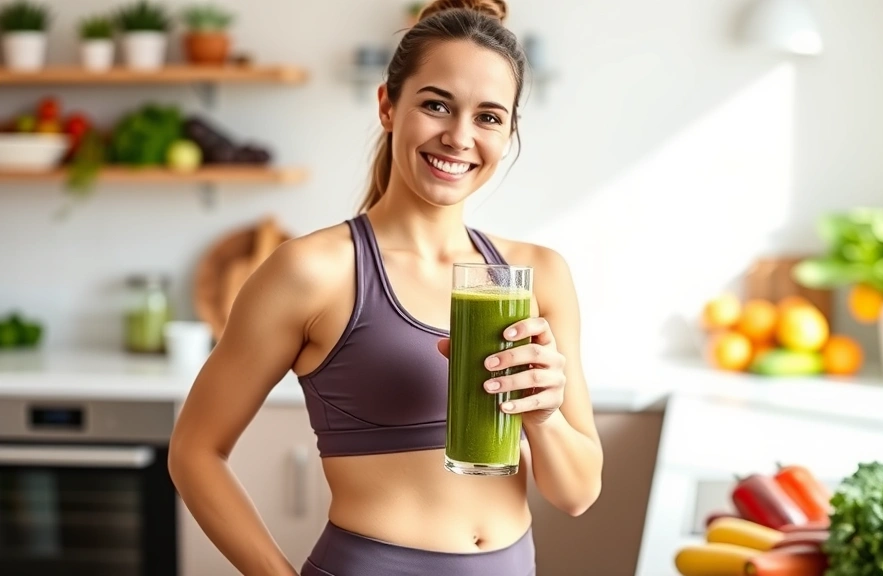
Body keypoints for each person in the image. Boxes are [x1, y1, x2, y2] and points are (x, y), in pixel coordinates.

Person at [167, 1, 603, 574]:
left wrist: (542, 416)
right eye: (436, 105)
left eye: (489, 117)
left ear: (510, 130)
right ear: (388, 106)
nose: (459, 137)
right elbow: (194, 452)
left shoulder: (538, 275)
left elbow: (577, 494)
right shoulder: (313, 271)